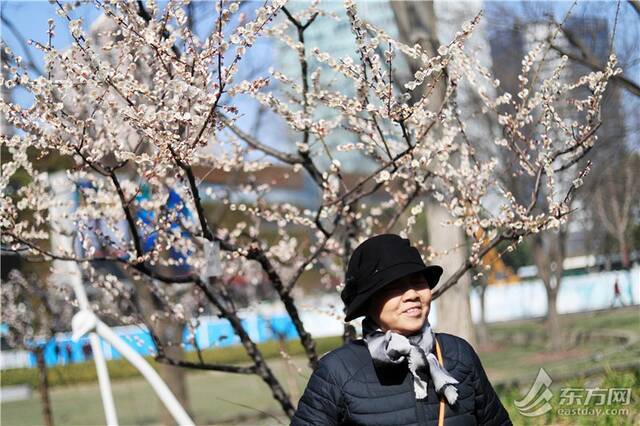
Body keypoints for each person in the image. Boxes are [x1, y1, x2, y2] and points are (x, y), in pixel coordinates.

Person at [291, 234, 511, 425]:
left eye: (418, 281)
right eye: (395, 287)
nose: (412, 295)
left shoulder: (458, 354)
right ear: (369, 302)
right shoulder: (338, 371)